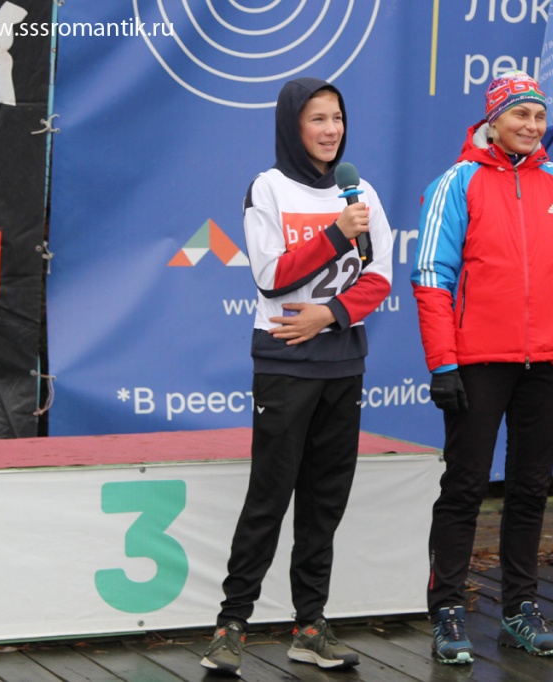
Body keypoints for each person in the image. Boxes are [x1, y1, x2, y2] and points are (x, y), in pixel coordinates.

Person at [412, 70, 553, 664]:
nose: (531, 125)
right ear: (493, 119)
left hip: (548, 361)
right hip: (478, 361)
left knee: (529, 489)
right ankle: (447, 611)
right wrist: (443, 363)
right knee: (465, 486)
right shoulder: (458, 181)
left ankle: (520, 608)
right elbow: (433, 276)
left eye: (539, 116)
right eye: (520, 114)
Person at [200, 77, 393, 675]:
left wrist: (329, 315)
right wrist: (337, 234)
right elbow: (270, 276)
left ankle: (310, 625)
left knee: (324, 501)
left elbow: (381, 275)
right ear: (293, 126)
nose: (331, 130)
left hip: (344, 361)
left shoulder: (361, 192)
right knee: (269, 496)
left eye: (337, 117)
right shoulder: (269, 187)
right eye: (317, 119)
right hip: (285, 365)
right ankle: (231, 624)